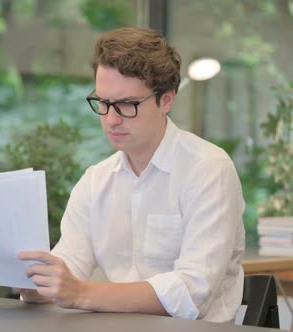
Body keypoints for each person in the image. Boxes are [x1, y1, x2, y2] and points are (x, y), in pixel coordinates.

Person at [17, 27, 245, 322]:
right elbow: (69, 267)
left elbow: (191, 295)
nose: (111, 119)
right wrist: (34, 284)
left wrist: (80, 293)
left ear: (166, 100)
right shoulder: (95, 180)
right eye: (103, 102)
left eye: (127, 105)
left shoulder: (208, 169)